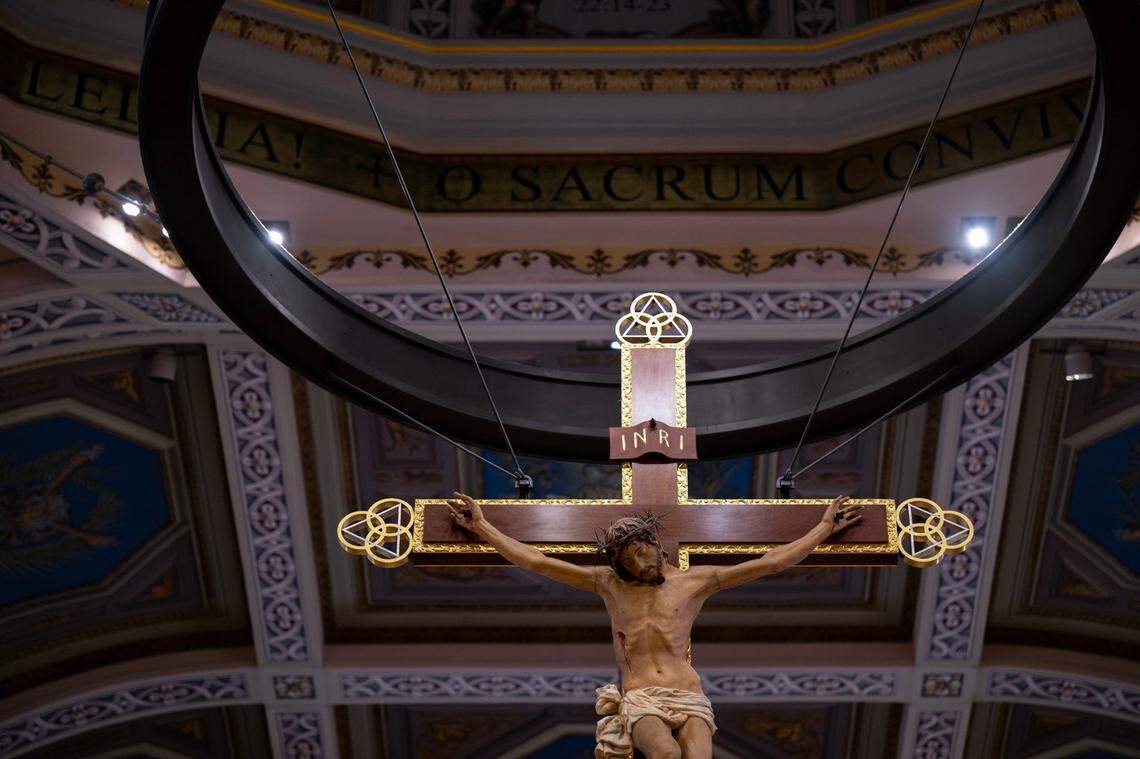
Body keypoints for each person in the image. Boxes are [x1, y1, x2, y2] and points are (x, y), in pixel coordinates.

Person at [447, 491, 864, 759]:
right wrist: (483, 526)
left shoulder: (696, 581)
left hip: (689, 692)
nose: (635, 565)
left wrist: (823, 528)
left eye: (638, 555)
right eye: (626, 561)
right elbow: (537, 561)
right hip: (642, 693)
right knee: (664, 756)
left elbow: (770, 562)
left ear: (654, 546)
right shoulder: (608, 584)